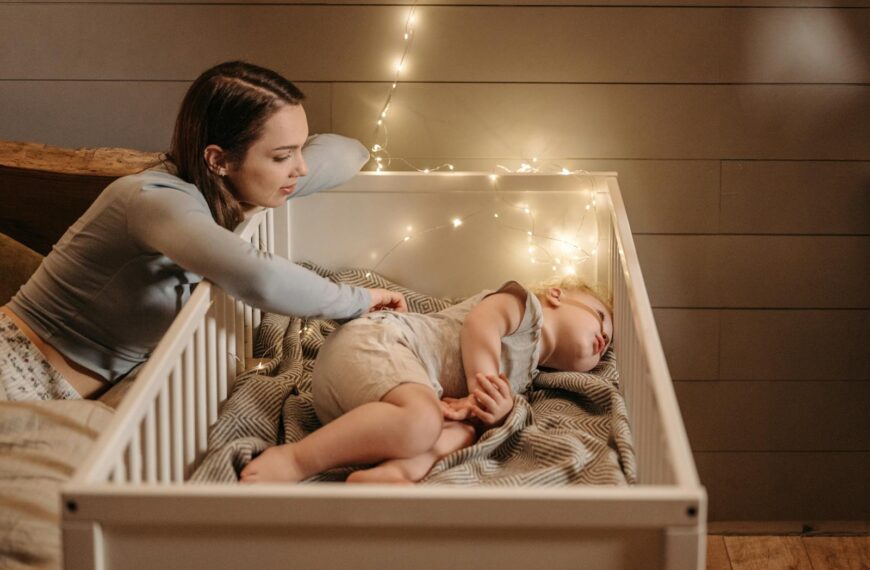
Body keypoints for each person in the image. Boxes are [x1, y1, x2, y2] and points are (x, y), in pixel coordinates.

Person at [0, 61, 406, 401]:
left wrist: (279, 162)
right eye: (283, 155)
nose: (300, 169)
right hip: (17, 366)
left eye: (301, 149)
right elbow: (259, 277)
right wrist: (359, 300)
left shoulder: (224, 191)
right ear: (218, 159)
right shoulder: (154, 200)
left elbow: (349, 151)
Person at [240, 276, 613, 484]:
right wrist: (483, 382)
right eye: (600, 317)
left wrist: (496, 412)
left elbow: (476, 415)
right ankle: (296, 460)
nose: (603, 339)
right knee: (423, 420)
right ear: (557, 295)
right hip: (376, 345)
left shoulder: (526, 382)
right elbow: (481, 325)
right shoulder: (523, 308)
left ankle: (393, 473)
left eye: (607, 345)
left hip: (375, 417)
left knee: (462, 433)